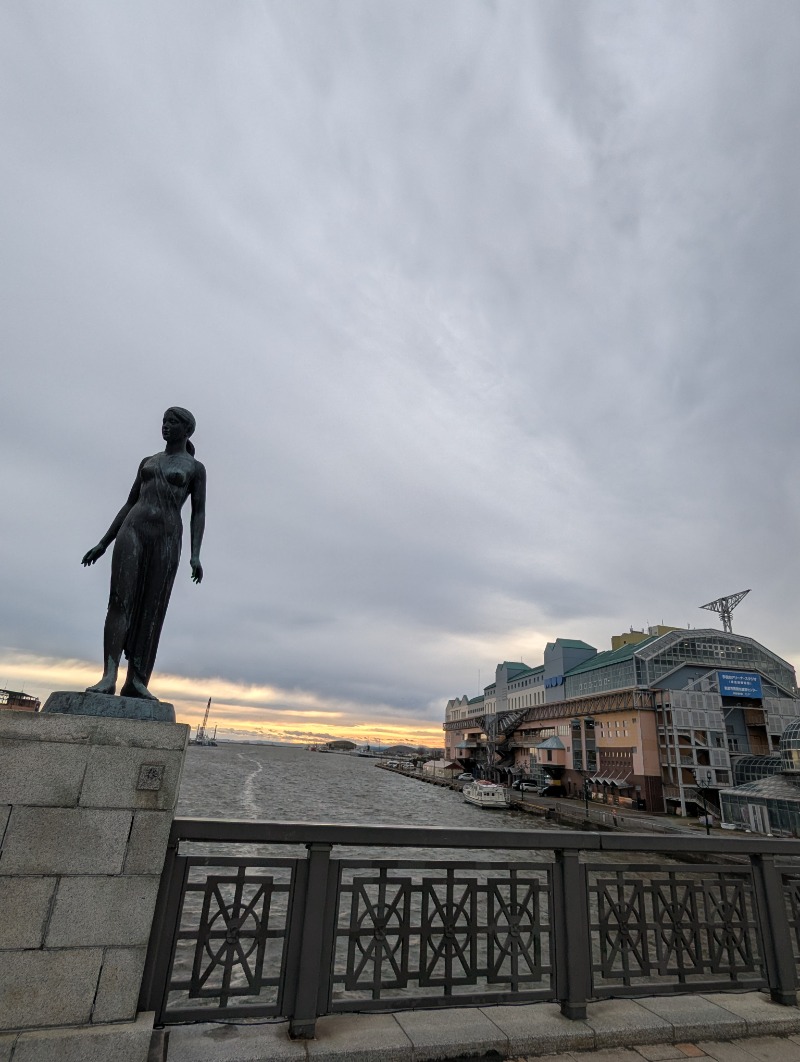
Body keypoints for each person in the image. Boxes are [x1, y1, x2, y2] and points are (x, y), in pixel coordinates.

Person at [82, 407, 206, 699]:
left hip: (166, 536)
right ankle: (109, 675)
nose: (165, 426)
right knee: (119, 601)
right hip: (133, 529)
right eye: (164, 421)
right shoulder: (148, 462)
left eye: (172, 422)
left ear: (187, 430)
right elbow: (129, 503)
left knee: (153, 608)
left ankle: (136, 680)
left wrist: (195, 554)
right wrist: (104, 542)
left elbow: (198, 513)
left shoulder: (195, 468)